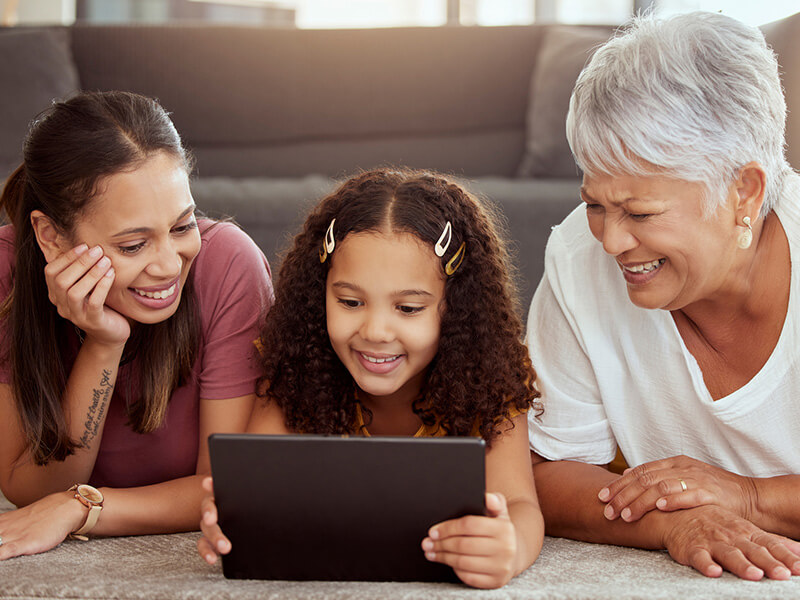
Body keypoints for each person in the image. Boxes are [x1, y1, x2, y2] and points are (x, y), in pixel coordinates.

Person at [527, 10, 800, 581]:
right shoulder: (579, 257)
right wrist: (675, 523)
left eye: (641, 212)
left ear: (743, 193)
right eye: (595, 203)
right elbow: (549, 470)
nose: (611, 240)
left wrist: (750, 499)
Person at [196, 168, 545, 588]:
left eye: (409, 308)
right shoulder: (293, 367)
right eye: (349, 301)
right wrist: (232, 518)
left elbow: (522, 504)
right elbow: (253, 494)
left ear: (456, 307)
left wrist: (510, 548)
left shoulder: (494, 375)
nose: (376, 332)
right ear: (318, 294)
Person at [0, 91, 273, 559]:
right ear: (50, 236)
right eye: (132, 246)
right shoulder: (7, 271)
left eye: (183, 226)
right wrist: (104, 344)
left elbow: (224, 484)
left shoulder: (228, 263)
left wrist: (80, 508)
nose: (169, 265)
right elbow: (26, 488)